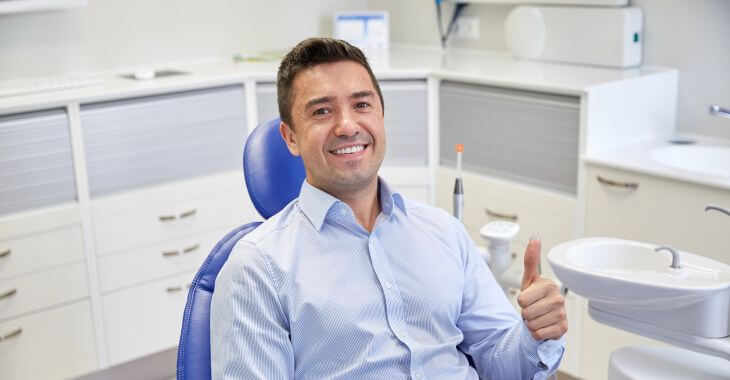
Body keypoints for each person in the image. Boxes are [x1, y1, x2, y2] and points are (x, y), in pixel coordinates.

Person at [211, 37, 567, 379]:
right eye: (322, 111)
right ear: (291, 138)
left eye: (362, 105)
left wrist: (534, 335)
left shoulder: (444, 232)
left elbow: (502, 366)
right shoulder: (258, 268)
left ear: (381, 116)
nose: (348, 125)